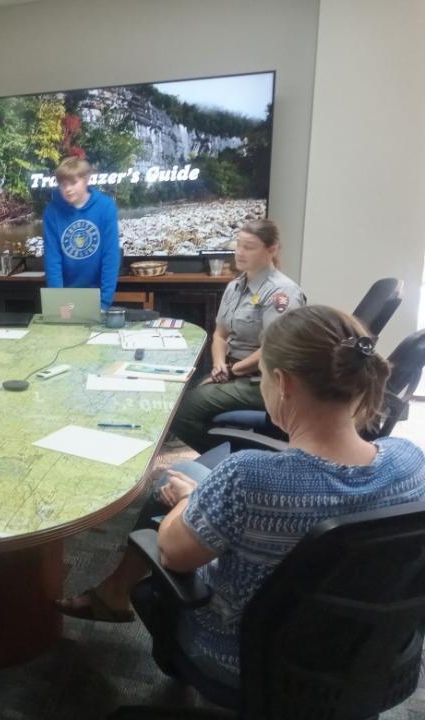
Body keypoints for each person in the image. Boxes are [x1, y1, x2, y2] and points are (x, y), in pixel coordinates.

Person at [57, 305, 425, 685]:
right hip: (374, 656)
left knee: (176, 481)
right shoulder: (411, 463)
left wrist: (189, 500)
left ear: (282, 383)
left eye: (262, 376)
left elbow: (173, 553)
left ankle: (114, 595)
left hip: (247, 660)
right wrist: (209, 497)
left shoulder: (249, 478)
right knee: (189, 477)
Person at [171, 219, 305, 453]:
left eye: (249, 247)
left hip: (262, 380)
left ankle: (236, 461)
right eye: (238, 245)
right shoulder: (235, 286)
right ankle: (230, 455)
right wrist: (219, 365)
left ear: (271, 250)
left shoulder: (282, 293)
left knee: (182, 412)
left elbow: (272, 349)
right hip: (234, 371)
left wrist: (232, 371)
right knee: (178, 393)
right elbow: (221, 335)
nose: (239, 253)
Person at [42, 156, 120, 310]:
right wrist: (58, 301)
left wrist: (104, 303)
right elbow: (52, 260)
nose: (68, 189)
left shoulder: (106, 207)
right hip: (65, 295)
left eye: (73, 183)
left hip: (97, 294)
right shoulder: (51, 212)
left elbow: (110, 256)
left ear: (86, 180)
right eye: (63, 185)